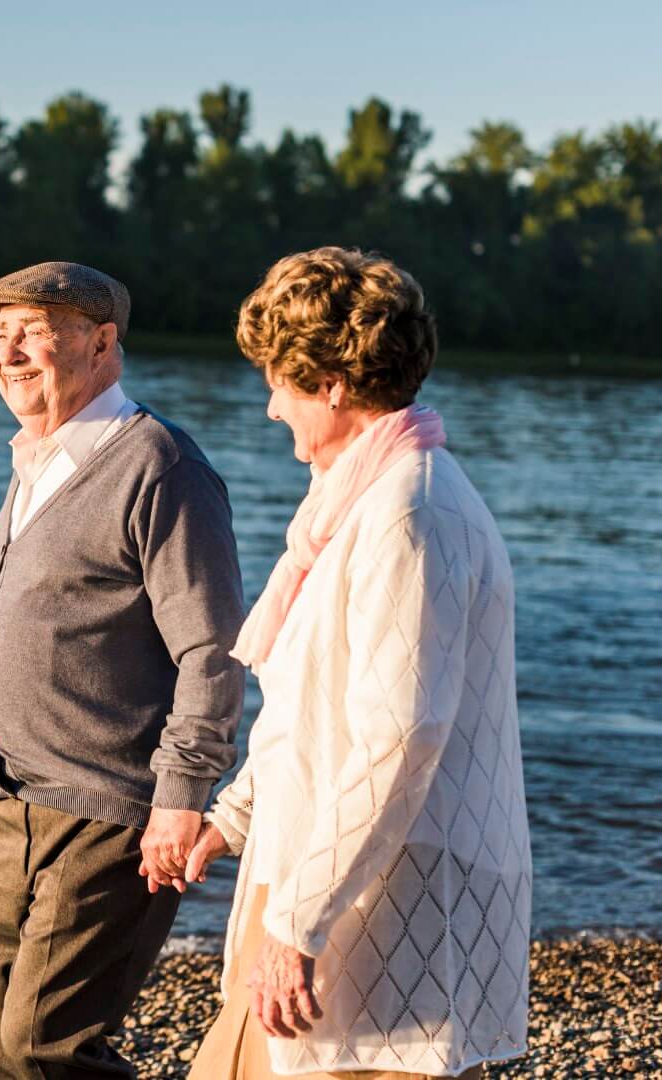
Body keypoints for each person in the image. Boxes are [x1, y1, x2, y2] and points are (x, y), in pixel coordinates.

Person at [182, 247, 532, 1079]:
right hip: (314, 868)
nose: (271, 407)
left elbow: (398, 737)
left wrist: (300, 923)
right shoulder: (353, 502)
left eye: (280, 381)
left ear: (333, 383)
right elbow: (311, 705)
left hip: (381, 900)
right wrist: (234, 819)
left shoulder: (410, 512)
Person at [0, 260, 247, 1078]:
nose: (9, 352)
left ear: (103, 342)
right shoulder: (36, 464)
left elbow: (212, 649)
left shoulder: (160, 466)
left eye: (35, 333)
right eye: (0, 333)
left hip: (110, 813)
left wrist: (180, 798)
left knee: (47, 1049)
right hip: (7, 805)